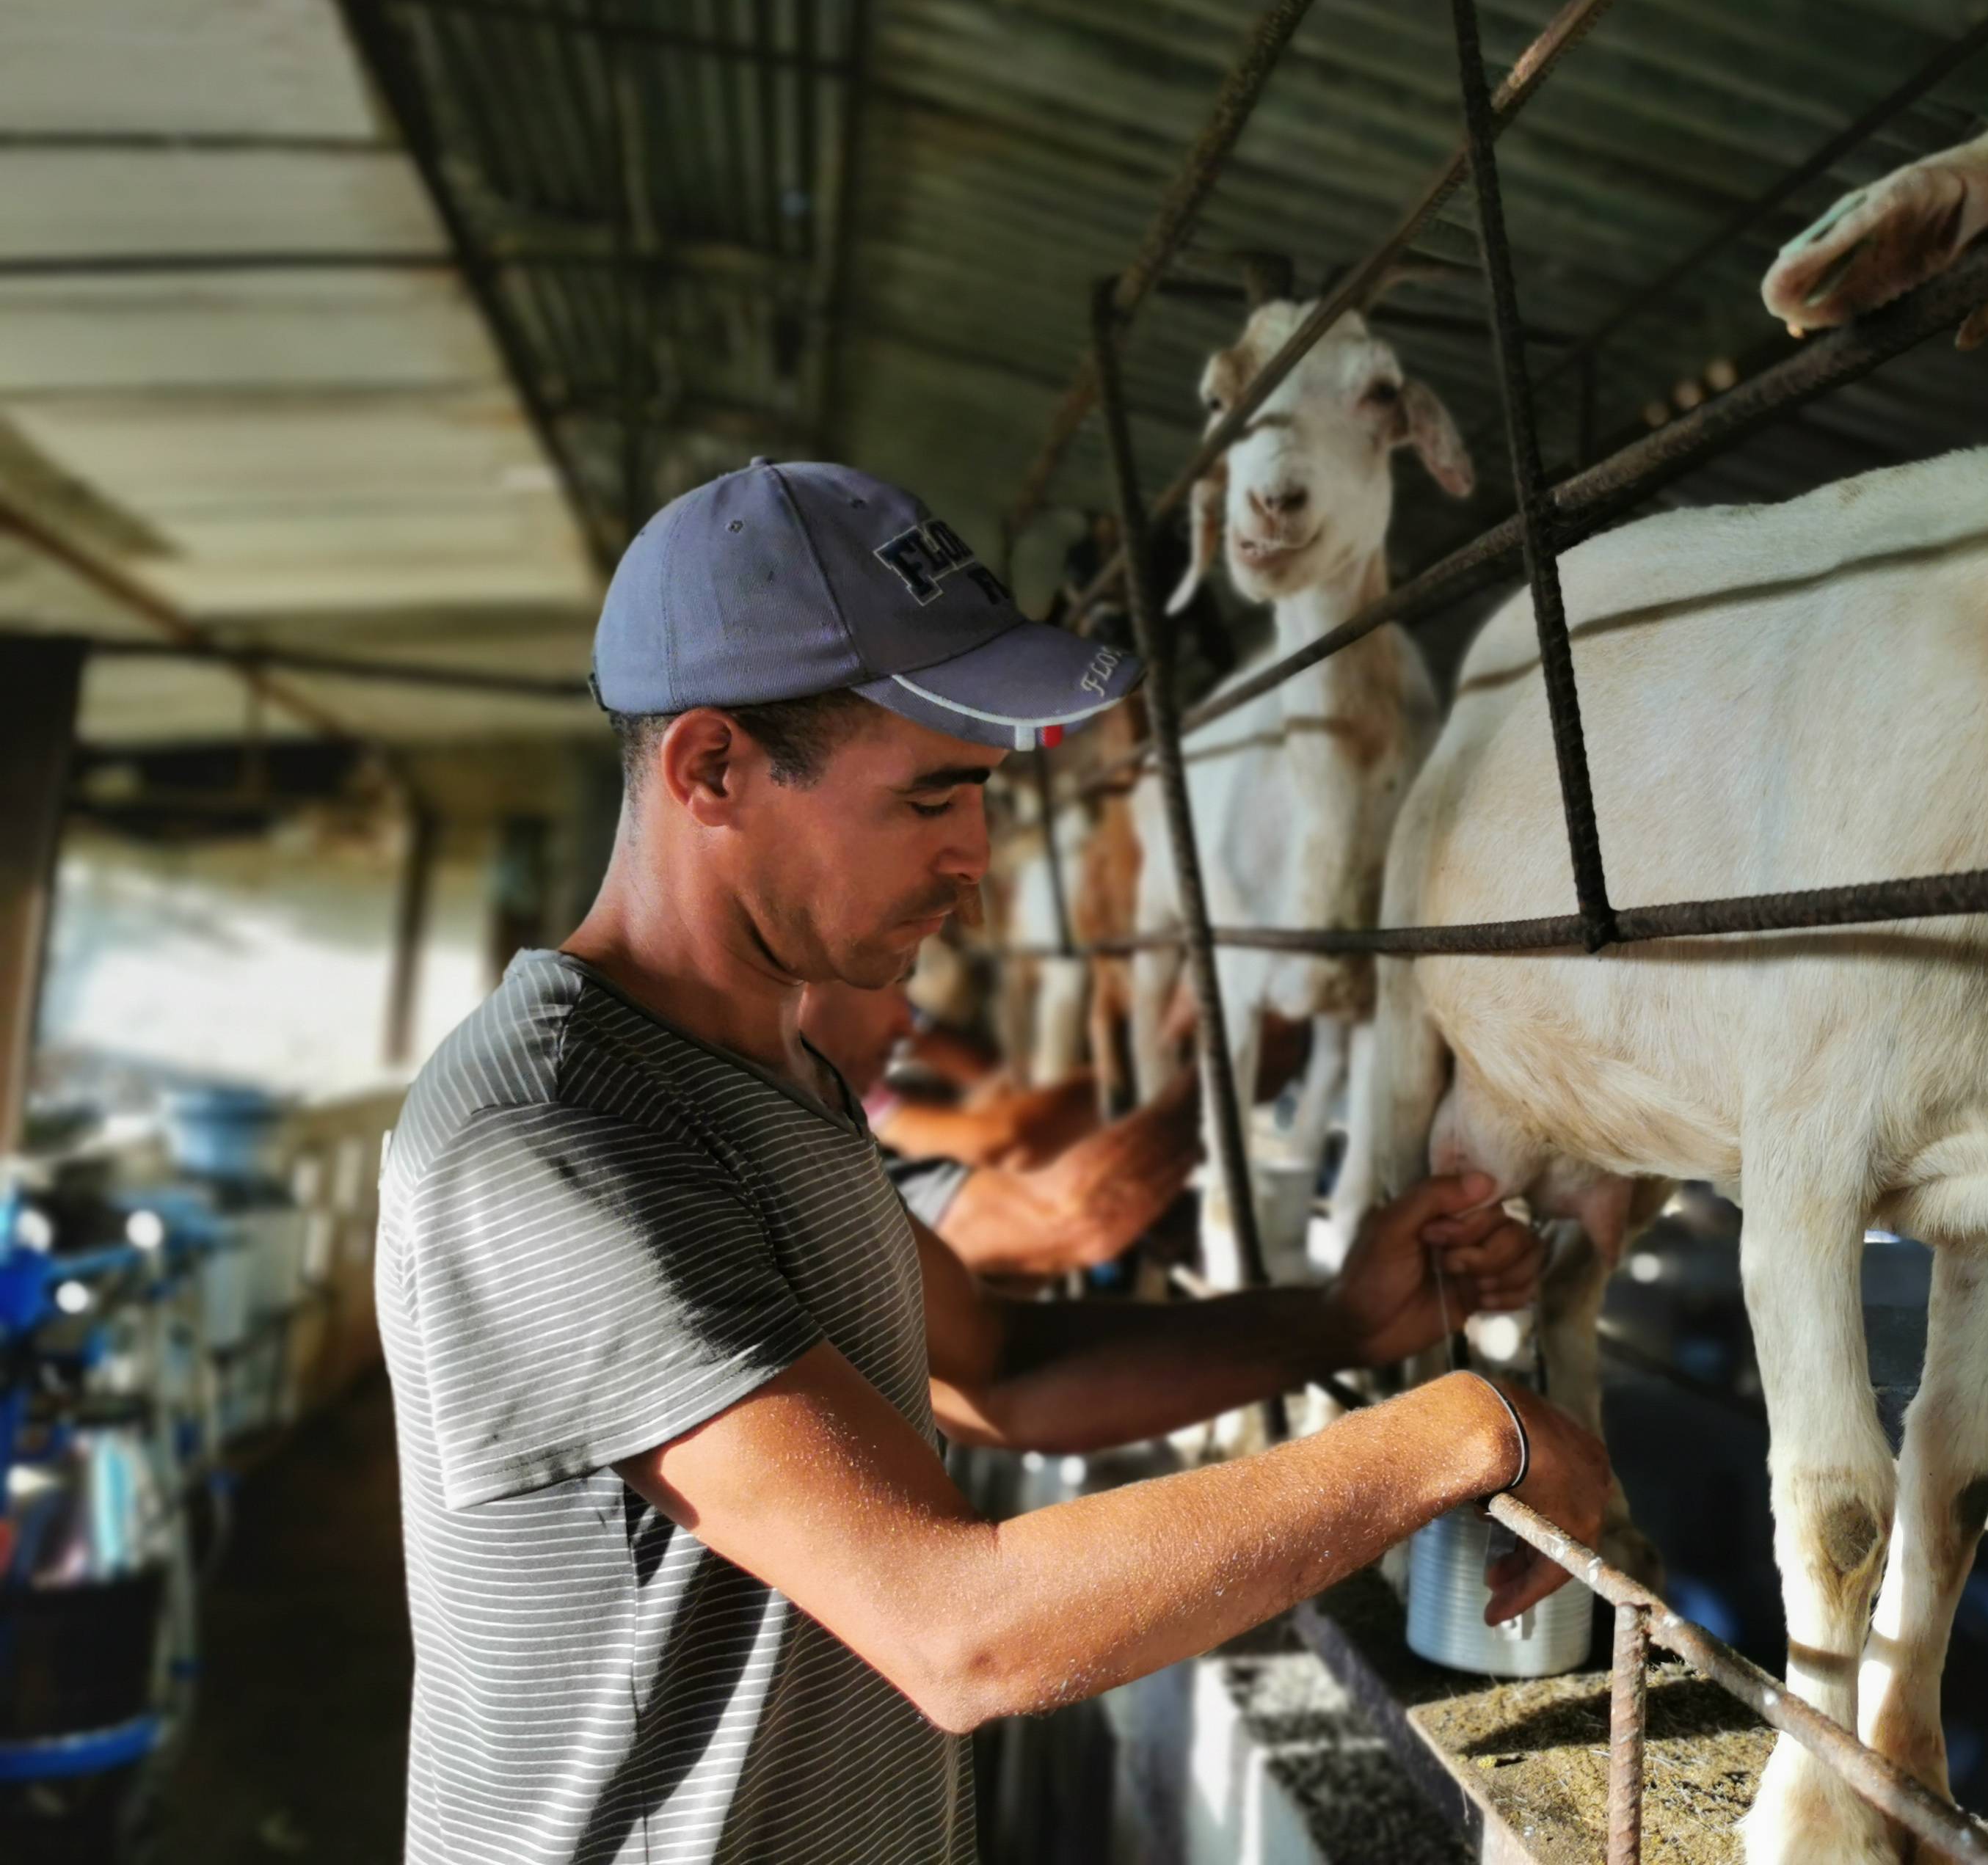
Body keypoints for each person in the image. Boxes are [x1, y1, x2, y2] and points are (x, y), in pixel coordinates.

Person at [375, 458, 1614, 1865]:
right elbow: (953, 1626)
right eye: (929, 797)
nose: (975, 853)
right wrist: (1448, 1432)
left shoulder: (771, 1076)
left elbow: (997, 1368)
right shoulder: (552, 1141)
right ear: (710, 767)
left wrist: (1335, 1322)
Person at [796, 975, 1208, 1280]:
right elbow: (1004, 1147)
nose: (908, 1021)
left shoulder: (833, 1061)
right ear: (804, 991)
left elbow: (987, 1075)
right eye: (899, 984)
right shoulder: (810, 1109)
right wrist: (1199, 1070)